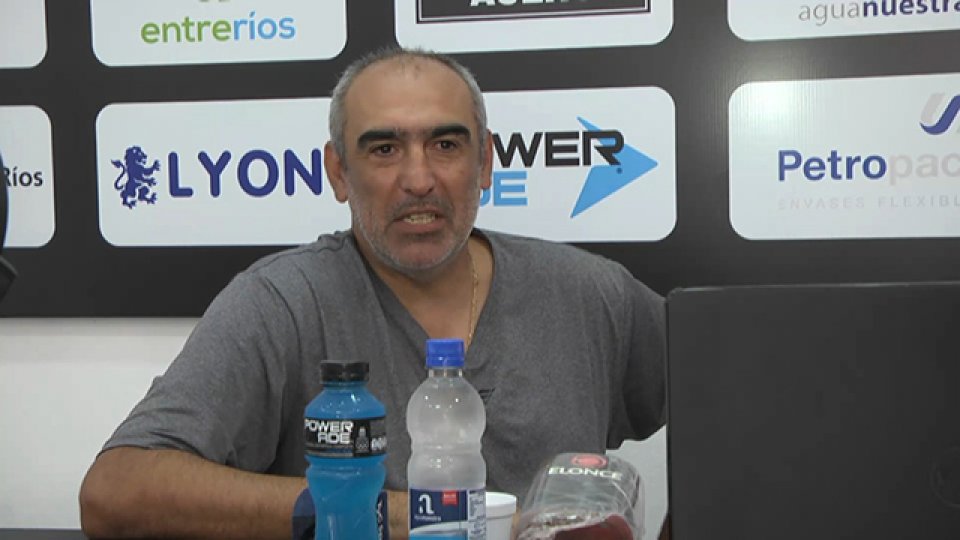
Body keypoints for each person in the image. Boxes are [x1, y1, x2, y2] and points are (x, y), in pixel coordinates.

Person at [79, 47, 667, 539]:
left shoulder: (591, 294)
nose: (418, 179)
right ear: (339, 172)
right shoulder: (282, 303)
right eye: (384, 149)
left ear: (486, 162)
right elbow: (115, 491)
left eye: (446, 145)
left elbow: (719, 402)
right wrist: (390, 514)